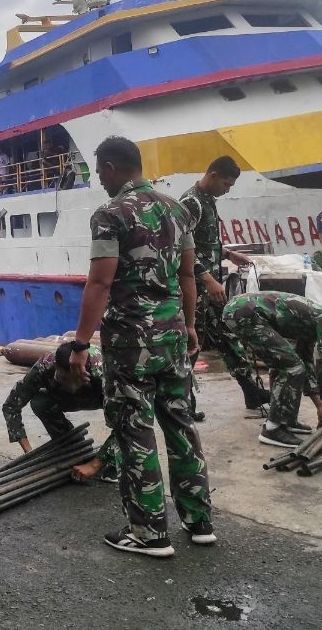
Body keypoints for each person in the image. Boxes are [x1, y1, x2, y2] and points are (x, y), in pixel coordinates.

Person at [68, 135, 212, 558]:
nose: (100, 180)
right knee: (181, 425)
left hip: (132, 344)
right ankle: (199, 521)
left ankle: (149, 533)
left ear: (112, 168)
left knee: (134, 430)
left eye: (99, 171)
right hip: (172, 338)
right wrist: (189, 326)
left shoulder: (110, 215)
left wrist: (79, 344)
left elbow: (100, 281)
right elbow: (187, 277)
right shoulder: (178, 210)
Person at [179, 155, 267, 419]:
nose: (227, 190)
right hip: (196, 288)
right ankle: (182, 404)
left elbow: (203, 243)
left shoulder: (208, 201)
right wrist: (207, 278)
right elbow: (179, 249)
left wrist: (228, 254)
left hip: (211, 288)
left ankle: (251, 391)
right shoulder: (191, 203)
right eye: (226, 184)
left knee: (229, 338)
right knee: (193, 345)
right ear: (214, 175)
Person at [223, 292, 322, 447]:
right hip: (245, 313)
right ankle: (273, 428)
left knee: (288, 364)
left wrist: (320, 405)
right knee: (292, 367)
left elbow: (306, 362)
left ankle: (285, 421)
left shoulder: (320, 320)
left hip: (242, 311)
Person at [0, 343, 120, 481]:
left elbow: (127, 421)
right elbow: (11, 405)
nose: (70, 385)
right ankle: (72, 445)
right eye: (63, 379)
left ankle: (114, 459)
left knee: (127, 422)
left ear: (85, 374)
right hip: (66, 397)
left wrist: (94, 465)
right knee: (40, 402)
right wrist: (29, 453)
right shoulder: (44, 366)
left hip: (97, 395)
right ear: (56, 368)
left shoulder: (105, 373)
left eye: (75, 381)